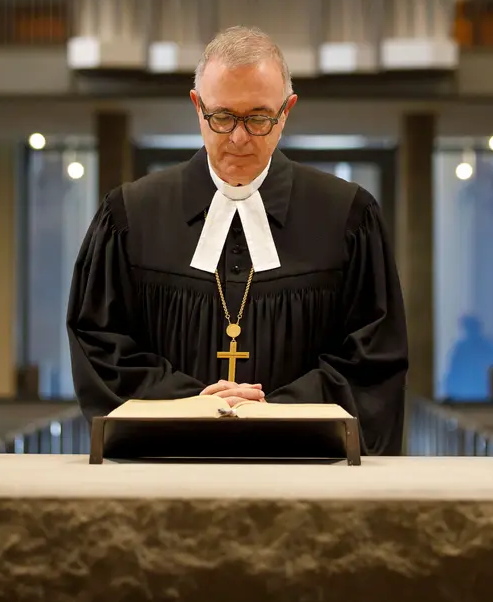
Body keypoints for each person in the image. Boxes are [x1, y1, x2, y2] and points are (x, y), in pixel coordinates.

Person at [66, 26, 409, 455]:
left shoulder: (347, 217)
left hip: (303, 468)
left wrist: (275, 411)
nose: (239, 138)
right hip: (166, 467)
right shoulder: (131, 216)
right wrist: (191, 404)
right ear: (197, 107)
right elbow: (99, 343)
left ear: (286, 112)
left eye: (259, 118)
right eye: (223, 116)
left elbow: (373, 359)